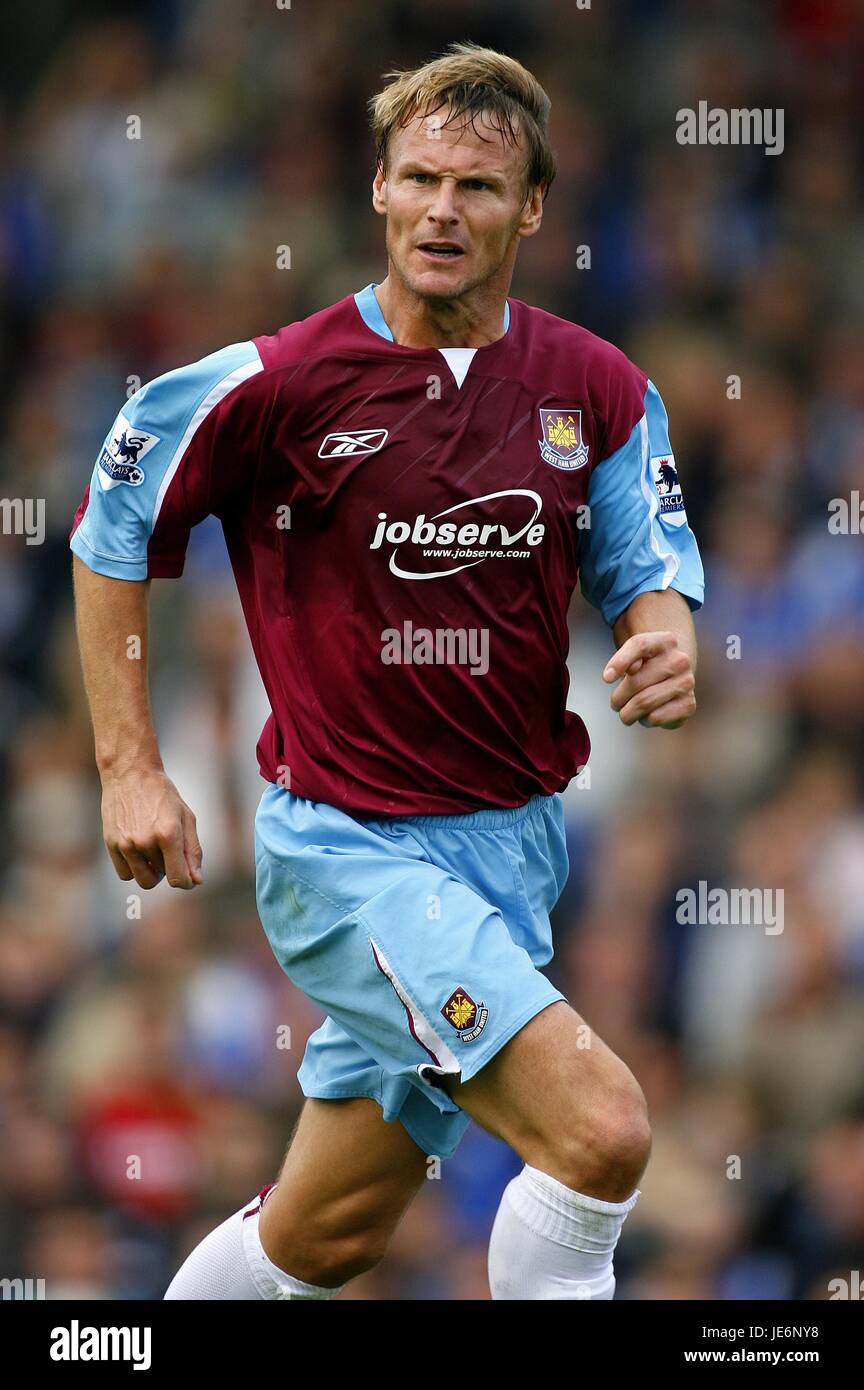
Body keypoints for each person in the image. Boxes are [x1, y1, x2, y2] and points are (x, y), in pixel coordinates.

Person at [69, 42, 703, 1301]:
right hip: (350, 855)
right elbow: (114, 519)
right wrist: (129, 767)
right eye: (416, 178)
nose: (440, 211)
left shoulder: (596, 389)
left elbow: (649, 567)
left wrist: (667, 633)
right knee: (600, 1131)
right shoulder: (277, 382)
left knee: (323, 1235)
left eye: (476, 188)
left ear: (530, 207)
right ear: (376, 190)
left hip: (514, 852)